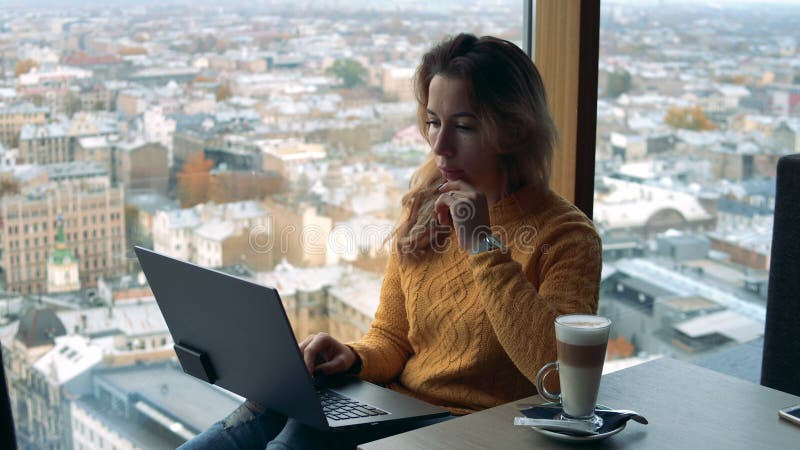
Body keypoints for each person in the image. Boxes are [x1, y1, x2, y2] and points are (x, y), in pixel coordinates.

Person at [179, 32, 602, 450]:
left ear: (513, 131)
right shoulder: (428, 207)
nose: (440, 146)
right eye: (434, 122)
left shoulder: (566, 237)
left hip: (478, 429)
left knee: (302, 436)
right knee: (271, 403)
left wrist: (480, 243)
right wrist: (352, 356)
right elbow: (393, 338)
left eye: (465, 127)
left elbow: (558, 378)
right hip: (400, 410)